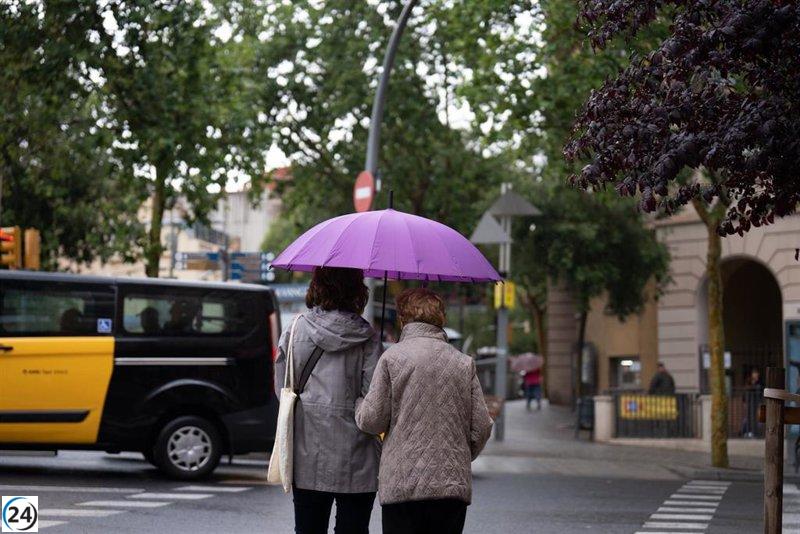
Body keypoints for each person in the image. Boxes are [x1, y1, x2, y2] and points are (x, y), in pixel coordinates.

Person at [355, 288, 493, 534]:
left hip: (402, 484)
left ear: (403, 319)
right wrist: (460, 454)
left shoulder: (391, 358)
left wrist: (358, 404)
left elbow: (372, 421)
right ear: (441, 319)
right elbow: (482, 424)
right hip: (451, 487)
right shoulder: (463, 363)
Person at [274, 266, 382, 534]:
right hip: (357, 457)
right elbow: (373, 402)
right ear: (358, 291)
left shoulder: (295, 329)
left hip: (306, 451)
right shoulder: (368, 339)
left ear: (317, 287)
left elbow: (283, 390)